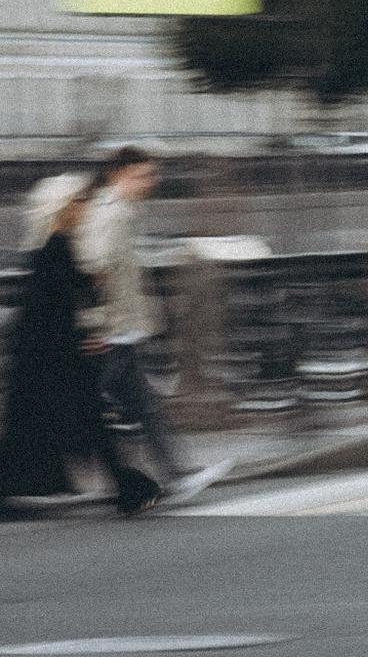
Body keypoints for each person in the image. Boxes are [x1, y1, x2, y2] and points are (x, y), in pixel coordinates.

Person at [2, 166, 162, 516]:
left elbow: (67, 302)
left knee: (46, 427)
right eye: (80, 200)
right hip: (52, 357)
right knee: (83, 422)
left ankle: (126, 489)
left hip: (51, 356)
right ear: (62, 208)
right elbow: (52, 312)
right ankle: (129, 489)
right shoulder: (55, 250)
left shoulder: (58, 247)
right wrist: (85, 337)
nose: (86, 206)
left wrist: (90, 325)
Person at [73, 147, 225, 503]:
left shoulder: (116, 211)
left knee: (141, 406)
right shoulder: (110, 214)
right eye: (144, 175)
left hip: (118, 331)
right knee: (75, 412)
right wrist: (95, 327)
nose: (152, 183)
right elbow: (92, 269)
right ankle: (165, 477)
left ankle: (175, 475)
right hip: (109, 334)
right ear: (119, 174)